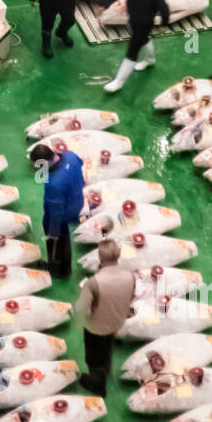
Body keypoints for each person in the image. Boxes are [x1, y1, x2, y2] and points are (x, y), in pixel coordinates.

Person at [74, 239, 135, 397]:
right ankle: (106, 370)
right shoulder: (129, 276)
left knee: (94, 357)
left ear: (100, 258)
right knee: (107, 348)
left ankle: (97, 384)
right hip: (117, 321)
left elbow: (81, 308)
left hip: (96, 327)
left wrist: (80, 322)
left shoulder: (94, 283)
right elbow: (130, 297)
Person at [102, 0, 170, 92]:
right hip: (133, 17)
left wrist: (165, 21)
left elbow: (162, 5)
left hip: (145, 22)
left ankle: (118, 82)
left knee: (132, 51)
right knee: (143, 39)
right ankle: (150, 60)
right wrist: (105, 4)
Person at [28, 142, 85, 279]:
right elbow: (81, 163)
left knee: (58, 239)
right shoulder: (70, 155)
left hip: (62, 213)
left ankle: (58, 269)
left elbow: (56, 212)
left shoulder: (55, 183)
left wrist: (53, 232)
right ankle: (64, 268)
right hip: (77, 201)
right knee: (64, 236)